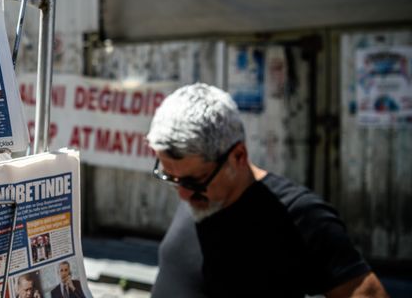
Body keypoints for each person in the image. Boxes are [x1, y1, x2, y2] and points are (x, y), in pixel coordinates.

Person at [147, 83, 388, 298]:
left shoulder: (300, 215)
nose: (182, 194)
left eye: (194, 181)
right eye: (171, 177)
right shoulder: (200, 195)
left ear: (238, 156)